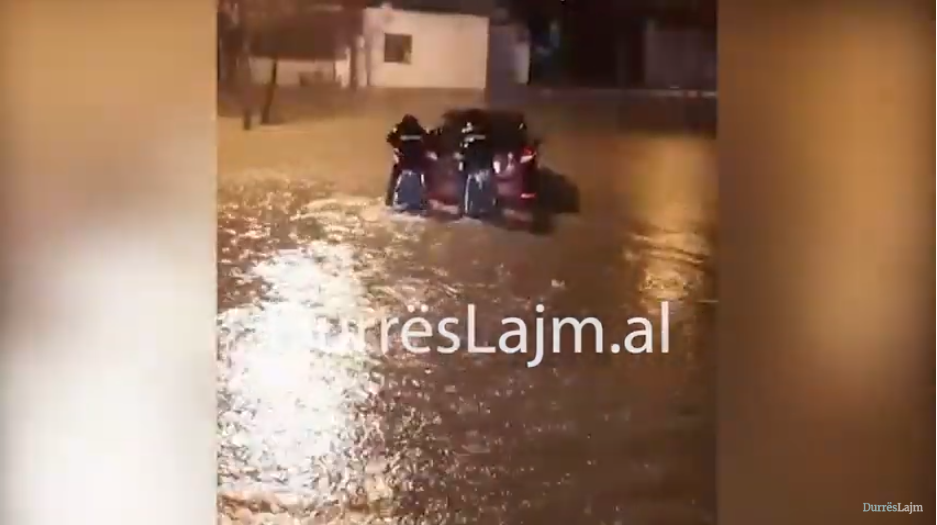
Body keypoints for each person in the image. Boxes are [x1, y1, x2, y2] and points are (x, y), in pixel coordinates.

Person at [385, 115, 428, 205]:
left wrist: (397, 146)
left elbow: (389, 138)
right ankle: (425, 200)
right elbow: (427, 139)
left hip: (404, 158)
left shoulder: (399, 128)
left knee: (394, 178)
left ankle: (389, 200)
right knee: (423, 177)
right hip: (415, 159)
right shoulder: (418, 129)